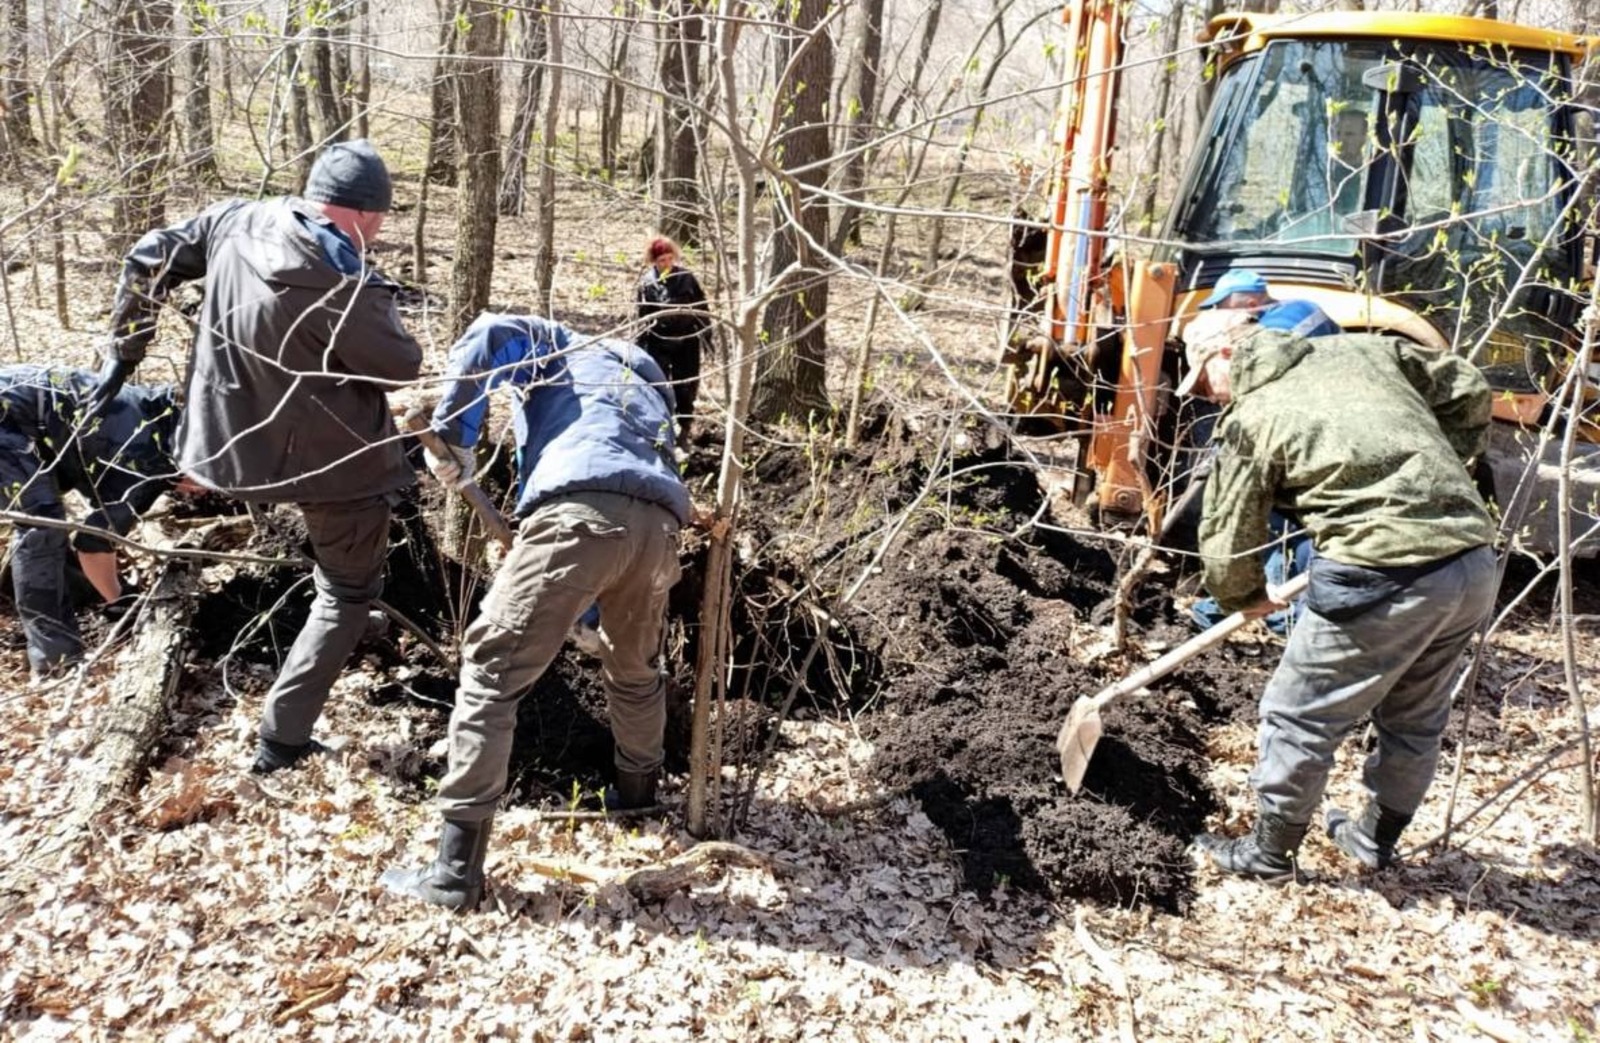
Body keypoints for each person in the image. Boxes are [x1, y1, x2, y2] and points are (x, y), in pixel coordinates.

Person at [92, 139, 423, 775]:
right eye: (379, 219)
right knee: (349, 593)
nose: (378, 232)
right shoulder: (344, 279)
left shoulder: (236, 219)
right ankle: (282, 740)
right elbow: (400, 365)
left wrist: (125, 349)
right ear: (361, 213)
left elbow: (149, 255)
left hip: (222, 450)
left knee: (337, 572)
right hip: (330, 467)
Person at [382, 313, 690, 911]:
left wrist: (455, 439)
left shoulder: (562, 348)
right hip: (659, 532)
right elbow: (629, 494)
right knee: (633, 672)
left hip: (575, 511)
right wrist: (589, 617)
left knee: (492, 673)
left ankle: (452, 874)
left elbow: (492, 335)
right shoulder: (648, 387)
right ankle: (638, 799)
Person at [1178, 308, 1496, 881]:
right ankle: (1374, 838)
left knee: (1297, 715)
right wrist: (1438, 465)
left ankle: (1268, 855)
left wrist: (1243, 596)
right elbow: (1468, 386)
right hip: (1471, 563)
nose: (1207, 394)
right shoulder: (1368, 352)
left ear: (1227, 356)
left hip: (1381, 570)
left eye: (1202, 379)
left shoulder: (1257, 414)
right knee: (1415, 717)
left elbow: (1226, 534)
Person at [1184, 270, 1343, 635]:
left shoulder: (1285, 322)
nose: (1224, 317)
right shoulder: (1280, 320)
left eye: (1223, 308)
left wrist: (1240, 441)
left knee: (1287, 527)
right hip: (1307, 440)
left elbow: (1268, 381)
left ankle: (1284, 618)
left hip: (1308, 444)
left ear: (1250, 303)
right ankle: (1264, 609)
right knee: (1281, 524)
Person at [0, 366, 183, 681]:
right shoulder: (146, 462)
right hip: (11, 416)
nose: (205, 490)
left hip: (32, 413)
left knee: (43, 512)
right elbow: (94, 543)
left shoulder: (163, 410)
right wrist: (123, 602)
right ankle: (56, 663)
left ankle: (37, 591)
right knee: (41, 525)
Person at [635, 236, 710, 443]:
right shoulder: (647, 284)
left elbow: (702, 307)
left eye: (669, 258)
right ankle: (659, 430)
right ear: (654, 262)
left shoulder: (686, 278)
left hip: (686, 340)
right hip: (659, 342)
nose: (667, 263)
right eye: (661, 260)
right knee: (657, 386)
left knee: (686, 387)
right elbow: (642, 318)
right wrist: (639, 347)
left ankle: (684, 429)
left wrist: (706, 335)